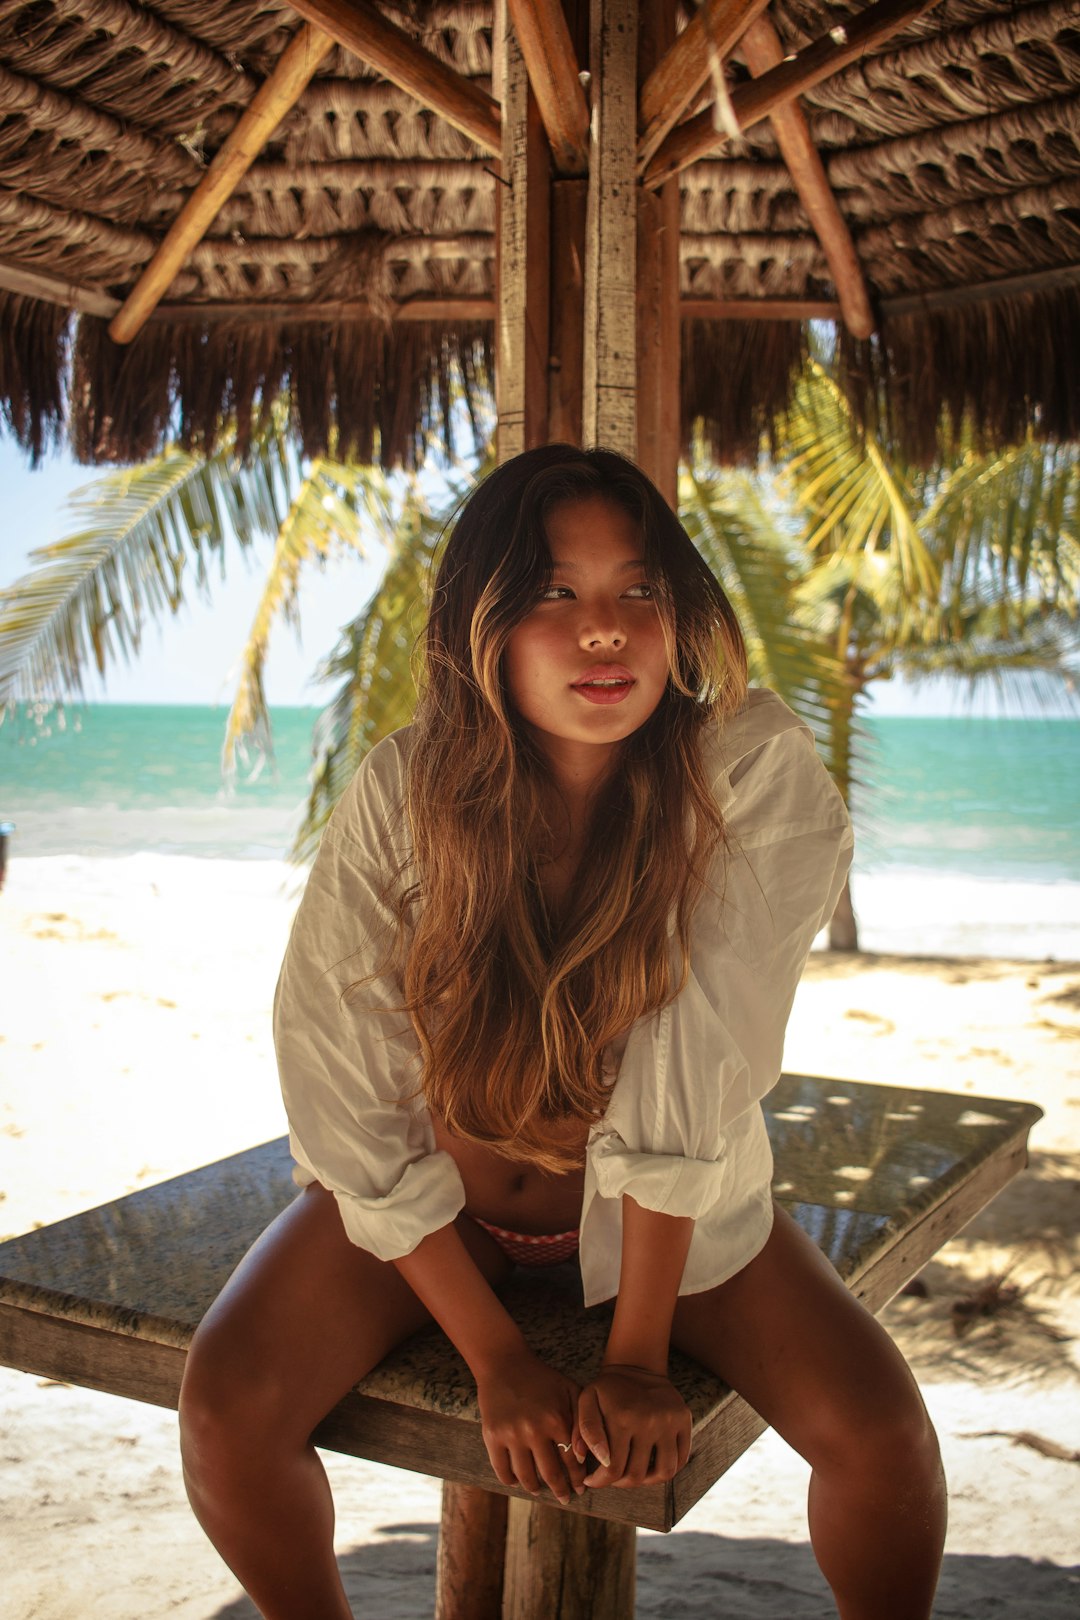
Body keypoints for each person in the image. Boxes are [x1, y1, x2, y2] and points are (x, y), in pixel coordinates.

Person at [178, 445, 946, 1620]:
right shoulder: (410, 789)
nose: (607, 632)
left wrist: (634, 1358)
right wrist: (496, 1359)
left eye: (638, 591)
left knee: (884, 1436)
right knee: (226, 1412)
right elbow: (342, 1067)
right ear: (480, 620)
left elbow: (696, 1058)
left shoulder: (742, 768)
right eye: (555, 593)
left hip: (677, 1219)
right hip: (444, 1215)